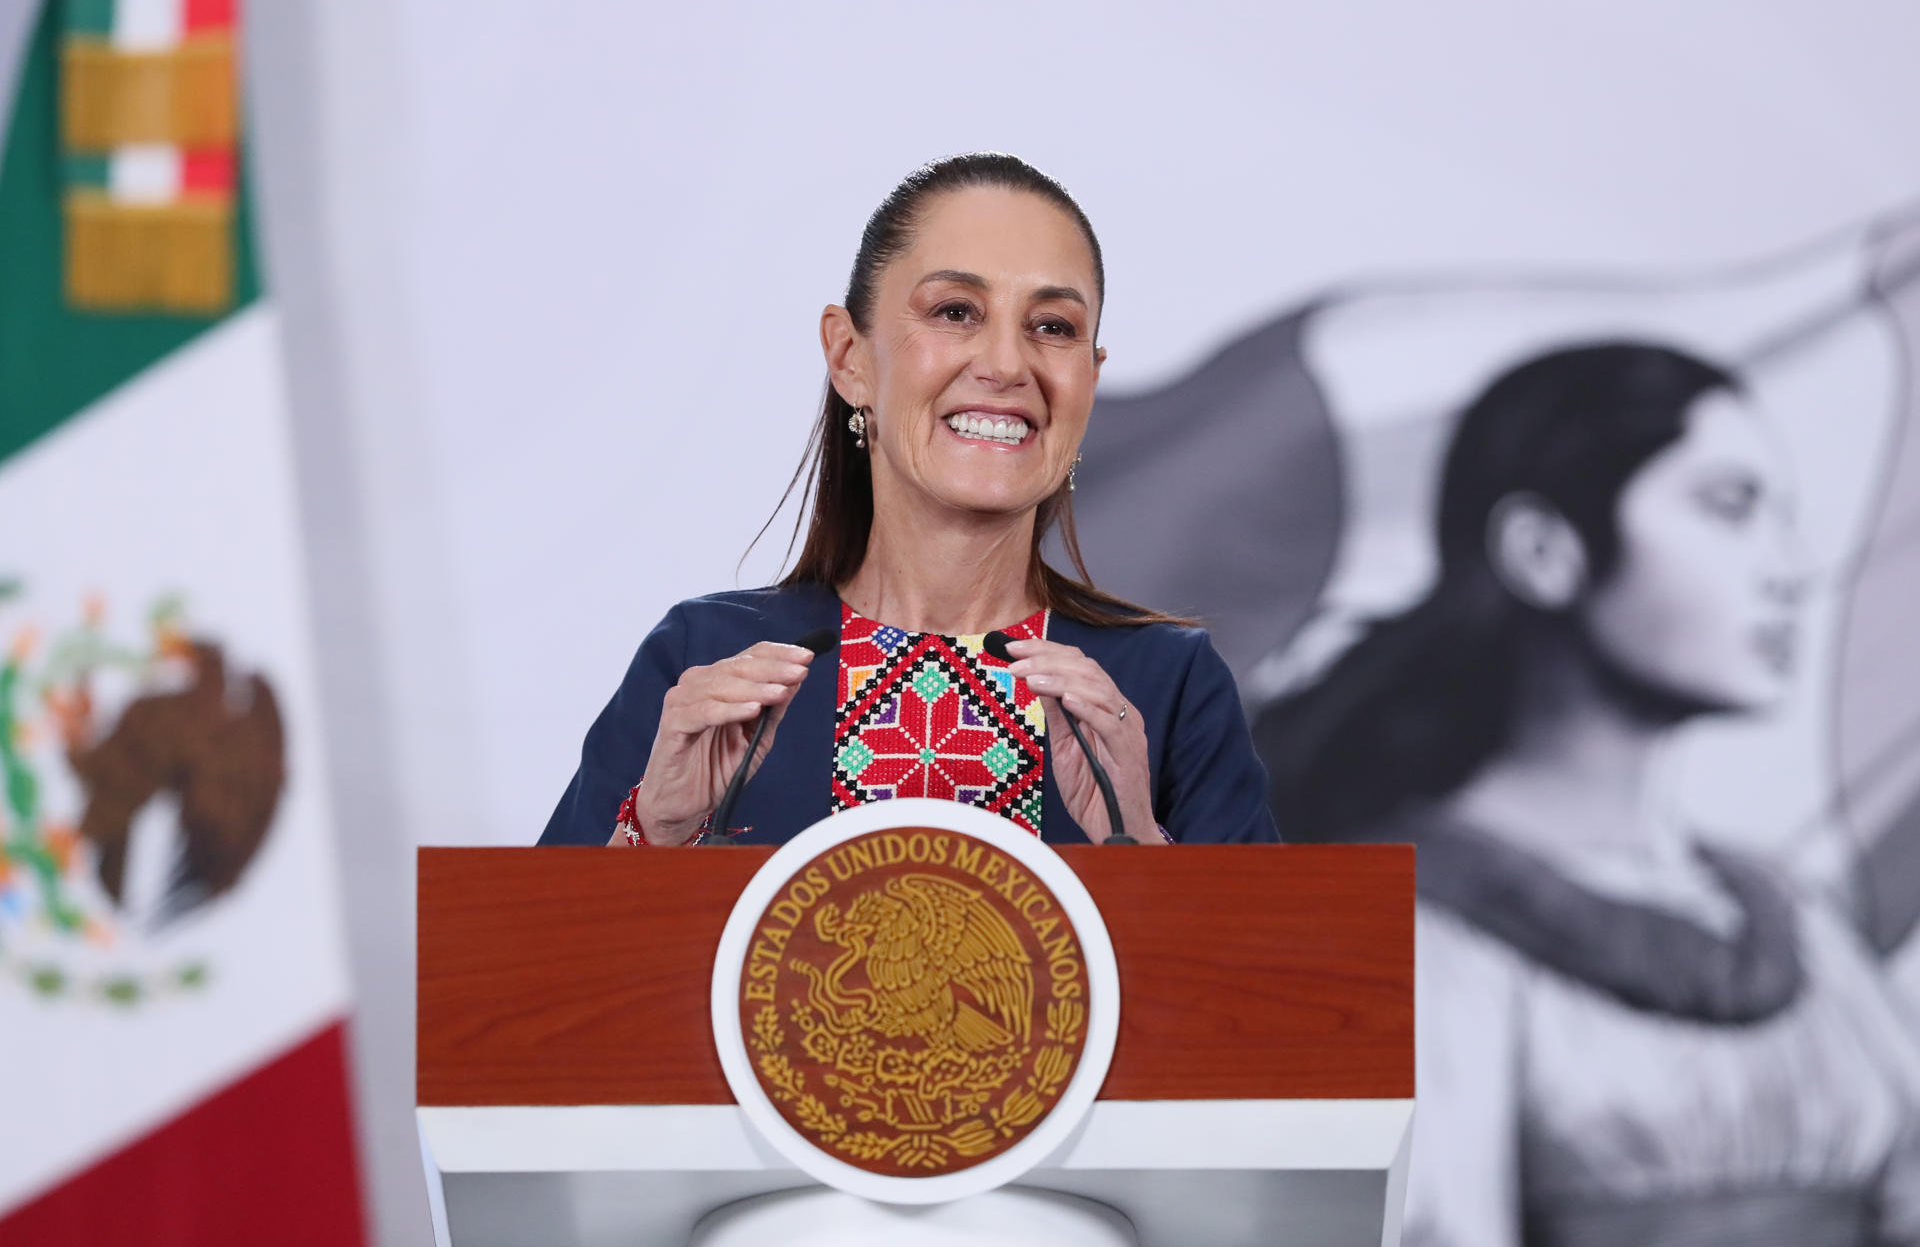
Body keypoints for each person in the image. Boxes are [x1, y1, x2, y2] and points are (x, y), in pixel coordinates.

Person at [1254, 343, 1920, 1245]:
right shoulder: (1404, 937)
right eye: (1731, 509)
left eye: (1784, 518)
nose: (1791, 569)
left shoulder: (1792, 920)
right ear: (1544, 550)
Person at [542, 154, 1276, 849]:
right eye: (956, 311)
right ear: (849, 358)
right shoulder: (704, 660)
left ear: (1091, 378)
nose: (1005, 364)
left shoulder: (1166, 686)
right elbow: (535, 973)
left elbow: (1269, 981)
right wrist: (655, 830)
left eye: (1053, 327)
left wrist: (1140, 847)